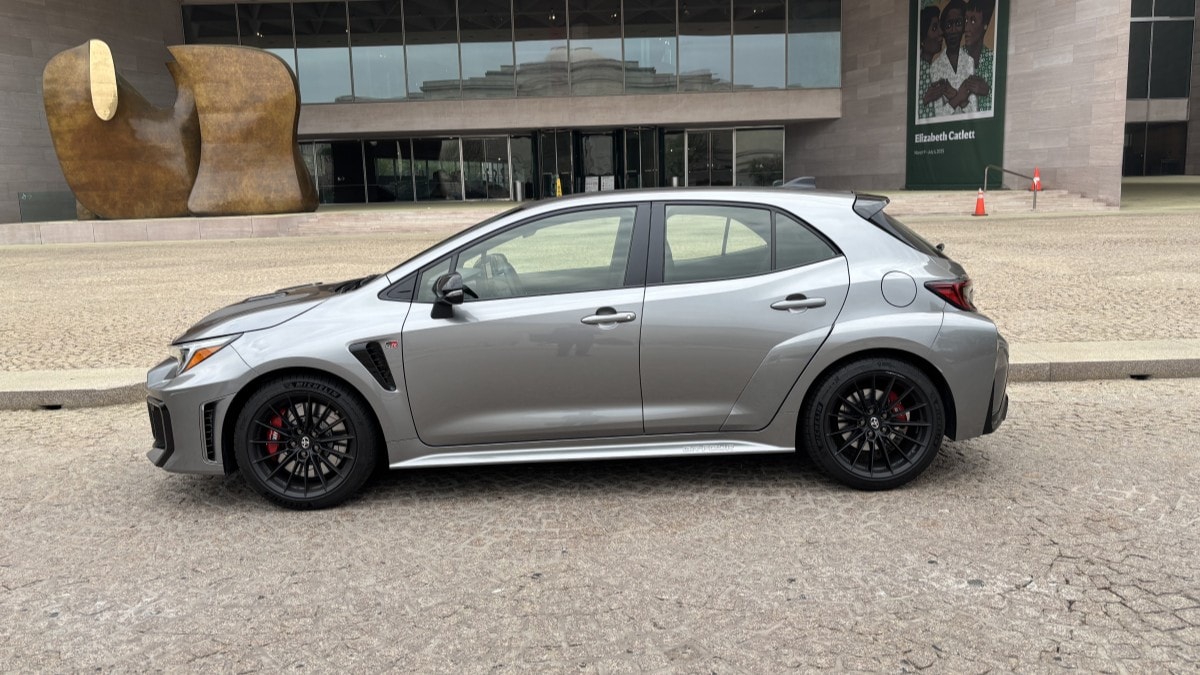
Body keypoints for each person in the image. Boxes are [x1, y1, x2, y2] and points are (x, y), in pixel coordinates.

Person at [928, 0, 976, 117]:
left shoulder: (969, 61)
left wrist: (954, 97)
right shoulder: (935, 67)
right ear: (943, 30)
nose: (954, 30)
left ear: (964, 27)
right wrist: (959, 98)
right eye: (949, 25)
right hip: (944, 134)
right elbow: (938, 114)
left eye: (958, 23)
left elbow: (974, 111)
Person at [961, 0, 995, 113]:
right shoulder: (954, 59)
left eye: (973, 20)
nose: (966, 28)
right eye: (965, 20)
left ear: (985, 25)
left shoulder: (993, 61)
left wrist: (988, 92)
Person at [917, 5, 945, 121]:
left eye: (939, 27)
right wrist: (926, 99)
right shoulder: (919, 71)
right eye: (934, 28)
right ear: (922, 39)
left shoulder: (931, 69)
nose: (940, 32)